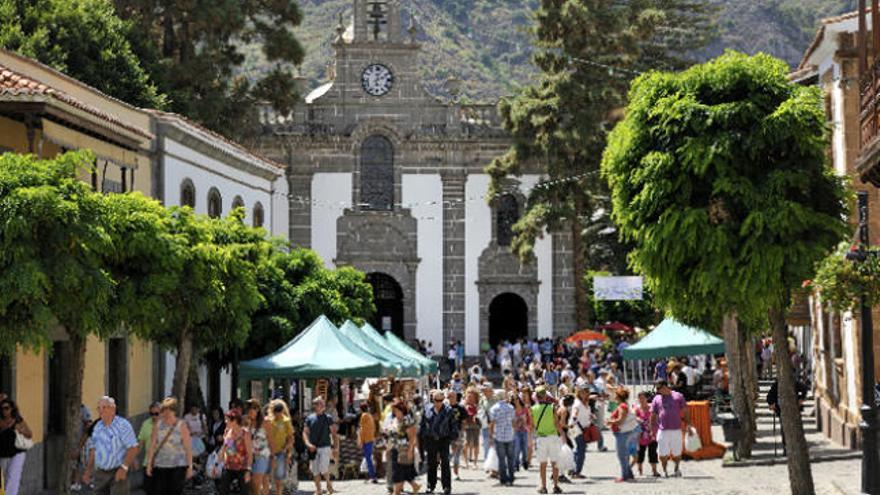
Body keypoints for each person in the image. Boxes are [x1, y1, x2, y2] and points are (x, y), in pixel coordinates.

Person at [83, 396, 138, 495]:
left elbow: (133, 448)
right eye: (99, 408)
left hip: (117, 470)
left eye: (104, 407)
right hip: (100, 473)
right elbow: (93, 450)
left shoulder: (123, 425)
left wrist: (124, 468)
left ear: (113, 409)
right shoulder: (97, 427)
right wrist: (88, 471)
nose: (101, 411)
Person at [145, 397, 193, 495]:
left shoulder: (181, 425)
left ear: (174, 411)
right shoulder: (158, 425)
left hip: (178, 466)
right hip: (160, 465)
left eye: (170, 410)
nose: (167, 412)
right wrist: (149, 464)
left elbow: (188, 447)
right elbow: (152, 445)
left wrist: (190, 467)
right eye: (165, 409)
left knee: (175, 491)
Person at [650, 380, 692, 478]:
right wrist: (652, 429)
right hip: (662, 430)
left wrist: (689, 425)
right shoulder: (656, 398)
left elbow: (685, 411)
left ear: (664, 386)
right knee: (662, 453)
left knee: (677, 452)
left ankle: (677, 468)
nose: (657, 391)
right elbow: (653, 414)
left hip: (676, 429)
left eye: (658, 388)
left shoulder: (678, 396)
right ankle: (665, 470)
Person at [421, 390, 457, 495]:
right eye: (437, 400)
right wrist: (423, 437)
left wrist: (452, 438)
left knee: (445, 463)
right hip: (431, 439)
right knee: (431, 463)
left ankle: (446, 487)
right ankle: (430, 486)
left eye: (441, 400)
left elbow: (453, 425)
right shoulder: (427, 409)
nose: (439, 402)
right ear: (433, 400)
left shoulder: (448, 410)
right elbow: (423, 425)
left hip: (444, 439)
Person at [766, 375, 808, 457]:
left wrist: (801, 399)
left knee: (794, 429)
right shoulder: (777, 384)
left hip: (794, 410)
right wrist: (772, 404)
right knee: (784, 430)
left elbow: (804, 389)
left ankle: (795, 448)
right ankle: (786, 449)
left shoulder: (794, 383)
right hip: (782, 411)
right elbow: (769, 397)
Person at [303, 397, 337, 495]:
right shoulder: (309, 418)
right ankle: (318, 489)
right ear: (315, 406)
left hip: (325, 446)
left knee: (323, 468)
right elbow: (305, 432)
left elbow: (334, 433)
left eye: (322, 404)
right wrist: (308, 444)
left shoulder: (328, 418)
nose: (322, 405)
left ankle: (328, 483)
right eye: (319, 404)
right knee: (315, 470)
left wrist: (335, 447)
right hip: (313, 448)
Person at [531, 387, 562, 494]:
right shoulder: (552, 407)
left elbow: (532, 426)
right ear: (545, 396)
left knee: (543, 464)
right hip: (553, 437)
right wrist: (562, 434)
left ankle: (543, 487)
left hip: (541, 438)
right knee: (555, 463)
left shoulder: (533, 409)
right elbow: (557, 423)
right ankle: (555, 486)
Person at [0, 398, 31, 495]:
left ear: (12, 408)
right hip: (2, 453)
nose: (4, 410)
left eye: (6, 408)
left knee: (13, 478)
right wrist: (10, 424)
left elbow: (29, 434)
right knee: (2, 479)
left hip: (17, 453)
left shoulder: (18, 419)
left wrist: (21, 430)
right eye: (2, 408)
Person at [606, 388, 637, 482]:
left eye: (615, 395)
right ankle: (629, 474)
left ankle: (624, 476)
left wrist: (610, 421)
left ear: (619, 397)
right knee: (625, 454)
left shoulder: (622, 406)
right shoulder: (623, 405)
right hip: (624, 433)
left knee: (621, 455)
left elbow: (620, 421)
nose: (614, 396)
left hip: (622, 433)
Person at [389, 402, 420, 495]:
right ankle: (415, 486)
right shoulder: (394, 420)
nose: (394, 411)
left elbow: (412, 437)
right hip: (394, 449)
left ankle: (396, 492)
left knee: (398, 473)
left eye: (395, 409)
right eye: (393, 410)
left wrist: (410, 450)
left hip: (404, 450)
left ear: (401, 410)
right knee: (403, 472)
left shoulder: (407, 420)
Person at [219, 409, 253, 495]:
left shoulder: (245, 433)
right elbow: (223, 449)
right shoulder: (227, 432)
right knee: (223, 491)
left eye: (227, 420)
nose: (225, 422)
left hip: (242, 468)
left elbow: (250, 453)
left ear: (234, 421)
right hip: (228, 467)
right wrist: (216, 465)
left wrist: (248, 471)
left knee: (244, 492)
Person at [266, 399, 295, 495]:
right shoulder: (268, 420)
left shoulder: (286, 421)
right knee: (266, 475)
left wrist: (288, 452)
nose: (278, 414)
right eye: (276, 412)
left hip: (280, 451)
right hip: (267, 451)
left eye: (279, 412)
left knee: (279, 477)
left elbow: (290, 437)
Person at [489, 391, 516, 487]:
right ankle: (511, 478)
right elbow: (513, 422)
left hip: (499, 436)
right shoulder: (511, 407)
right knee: (510, 458)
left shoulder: (494, 408)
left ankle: (503, 479)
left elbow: (492, 424)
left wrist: (490, 436)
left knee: (501, 459)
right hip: (510, 435)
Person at [245, 399, 271, 495]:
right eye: (249, 408)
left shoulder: (265, 422)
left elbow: (270, 440)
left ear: (258, 410)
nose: (251, 411)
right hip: (248, 456)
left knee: (257, 482)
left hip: (261, 455)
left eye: (253, 408)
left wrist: (273, 456)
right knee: (251, 485)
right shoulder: (246, 421)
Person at [568, 384, 592, 479]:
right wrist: (574, 417)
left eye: (586, 392)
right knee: (581, 450)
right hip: (577, 429)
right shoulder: (578, 403)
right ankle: (576, 472)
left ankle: (572, 468)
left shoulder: (585, 402)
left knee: (578, 450)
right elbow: (575, 412)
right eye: (582, 391)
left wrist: (591, 416)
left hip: (581, 428)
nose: (584, 393)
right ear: (578, 392)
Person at [633, 392, 659, 477]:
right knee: (640, 453)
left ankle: (654, 471)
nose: (641, 400)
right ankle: (640, 472)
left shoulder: (652, 408)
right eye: (639, 398)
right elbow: (632, 420)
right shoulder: (636, 409)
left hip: (652, 434)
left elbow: (657, 419)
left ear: (646, 398)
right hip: (640, 435)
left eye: (643, 398)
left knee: (653, 453)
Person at [137, 402, 160, 493]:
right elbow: (141, 442)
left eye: (156, 414)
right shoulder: (146, 424)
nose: (154, 416)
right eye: (151, 414)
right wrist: (135, 457)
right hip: (148, 464)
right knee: (148, 490)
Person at [444, 390, 467, 481]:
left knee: (456, 454)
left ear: (456, 397)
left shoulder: (460, 408)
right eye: (449, 396)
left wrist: (462, 433)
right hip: (445, 433)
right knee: (446, 454)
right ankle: (446, 473)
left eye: (452, 396)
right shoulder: (445, 407)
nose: (450, 398)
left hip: (457, 433)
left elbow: (464, 421)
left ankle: (455, 473)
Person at [357, 402, 378, 484]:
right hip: (370, 439)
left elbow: (362, 430)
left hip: (366, 440)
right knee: (369, 458)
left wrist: (360, 441)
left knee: (368, 458)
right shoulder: (370, 416)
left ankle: (373, 476)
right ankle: (372, 476)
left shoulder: (364, 416)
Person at [511, 394, 531, 472]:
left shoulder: (524, 408)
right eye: (514, 400)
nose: (516, 401)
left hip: (525, 430)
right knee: (517, 448)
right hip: (516, 431)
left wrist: (529, 426)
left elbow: (529, 418)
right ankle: (516, 464)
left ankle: (524, 461)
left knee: (525, 448)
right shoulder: (512, 410)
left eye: (516, 399)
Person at [477, 384, 496, 462]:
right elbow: (479, 410)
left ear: (491, 391)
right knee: (486, 444)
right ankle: (487, 462)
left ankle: (494, 464)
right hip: (485, 425)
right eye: (483, 390)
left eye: (486, 390)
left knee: (494, 445)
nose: (484, 392)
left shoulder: (495, 400)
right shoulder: (482, 400)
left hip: (494, 425)